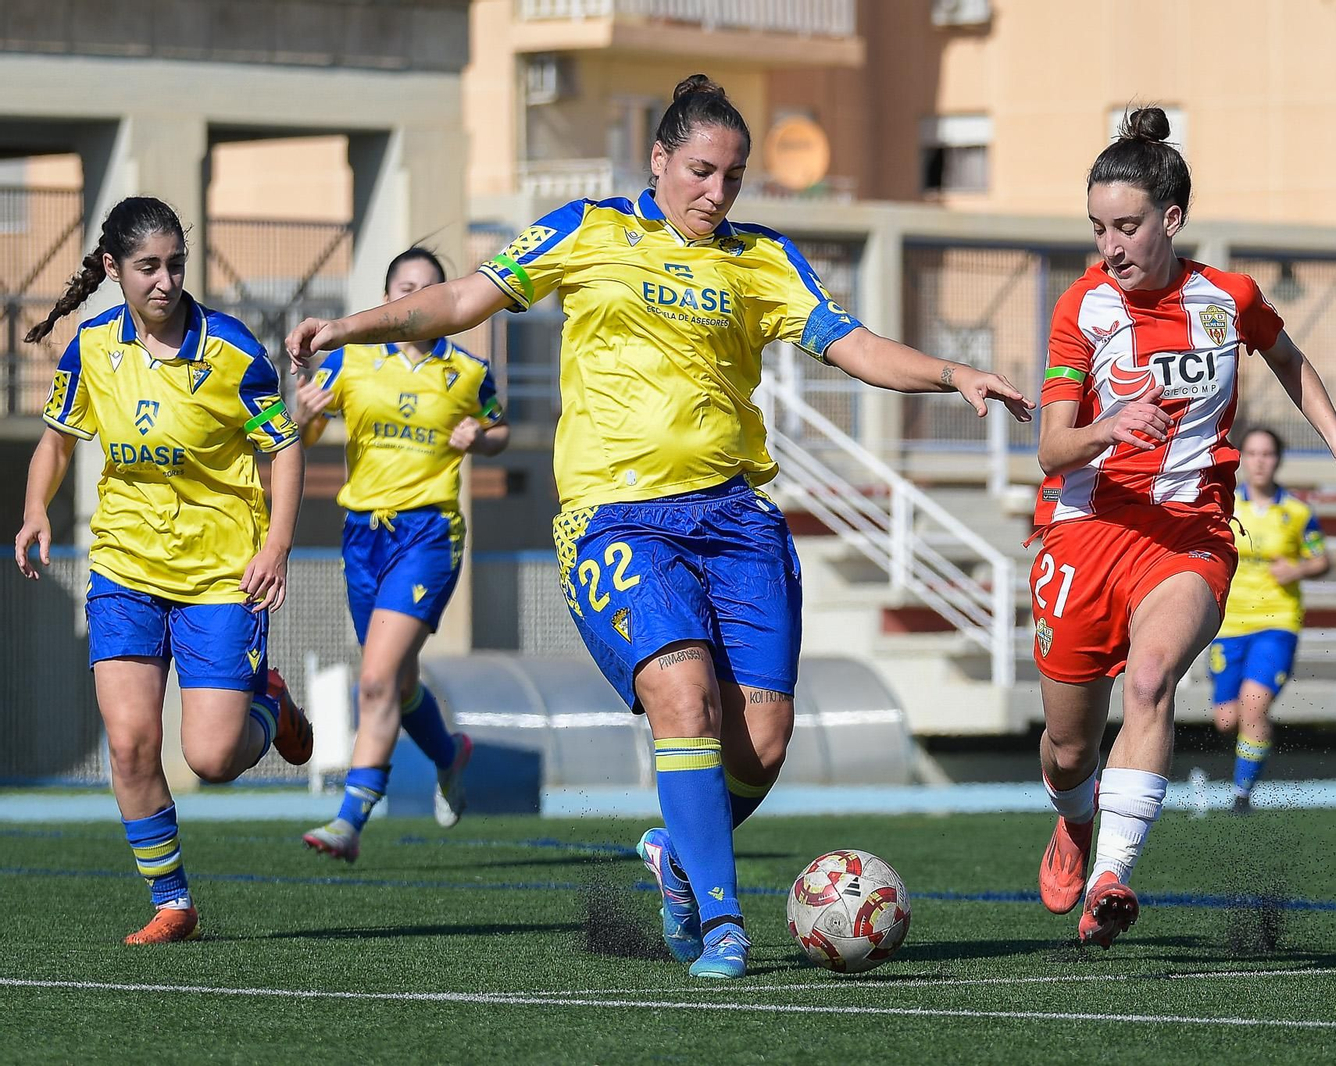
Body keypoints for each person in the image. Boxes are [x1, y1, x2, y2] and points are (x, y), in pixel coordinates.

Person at [287, 74, 1031, 979]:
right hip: (616, 520)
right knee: (685, 700)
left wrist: (954, 373)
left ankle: (676, 852)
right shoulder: (585, 230)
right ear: (660, 160)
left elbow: (855, 344)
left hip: (736, 518)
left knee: (762, 746)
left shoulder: (762, 260)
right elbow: (456, 303)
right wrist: (348, 328)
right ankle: (722, 924)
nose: (717, 193)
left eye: (734, 177)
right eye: (702, 171)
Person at [1030, 108, 1336, 948]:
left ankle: (1113, 874)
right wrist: (1107, 425)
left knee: (1153, 678)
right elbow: (1053, 448)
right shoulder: (1081, 308)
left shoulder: (1228, 299)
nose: (1109, 246)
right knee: (1064, 745)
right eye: (1096, 229)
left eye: (1125, 226)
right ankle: (1075, 820)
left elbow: (1290, 359)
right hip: (1084, 531)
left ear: (1172, 219)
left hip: (1189, 535)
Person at [12, 196, 313, 944]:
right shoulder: (92, 348)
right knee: (129, 743)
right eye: (147, 267)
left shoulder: (233, 350)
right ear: (113, 270)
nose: (165, 281)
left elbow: (285, 446)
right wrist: (36, 510)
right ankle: (172, 901)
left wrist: (276, 543)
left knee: (210, 757)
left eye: (176, 264)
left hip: (220, 576)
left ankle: (267, 704)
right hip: (123, 569)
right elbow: (54, 441)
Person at [297, 248, 507, 862]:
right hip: (363, 535)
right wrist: (304, 415)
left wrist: (483, 438)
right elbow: (301, 432)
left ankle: (351, 817)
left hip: (428, 534)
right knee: (399, 680)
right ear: (387, 299)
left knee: (377, 678)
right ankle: (449, 755)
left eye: (425, 291)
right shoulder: (353, 361)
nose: (411, 300)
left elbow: (499, 427)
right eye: (402, 288)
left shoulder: (468, 372)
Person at [1209, 427, 1330, 813]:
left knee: (1254, 704)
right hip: (1228, 624)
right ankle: (1249, 760)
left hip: (1277, 620)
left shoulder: (1297, 513)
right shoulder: (1223, 506)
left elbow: (1321, 558)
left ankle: (1242, 793)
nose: (1260, 461)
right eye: (1253, 453)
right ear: (1241, 457)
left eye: (1267, 454)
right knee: (1227, 719)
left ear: (1278, 460)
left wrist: (1298, 569)